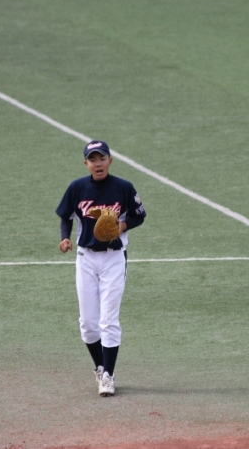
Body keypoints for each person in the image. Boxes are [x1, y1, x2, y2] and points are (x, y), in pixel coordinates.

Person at [56, 140, 146, 396]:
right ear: (86, 163)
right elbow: (66, 215)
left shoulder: (123, 187)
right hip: (85, 258)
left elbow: (139, 214)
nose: (98, 163)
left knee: (108, 320)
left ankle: (108, 376)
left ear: (110, 161)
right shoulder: (77, 188)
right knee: (87, 323)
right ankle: (99, 367)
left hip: (114, 259)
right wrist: (65, 238)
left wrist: (121, 226)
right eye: (93, 159)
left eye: (102, 158)